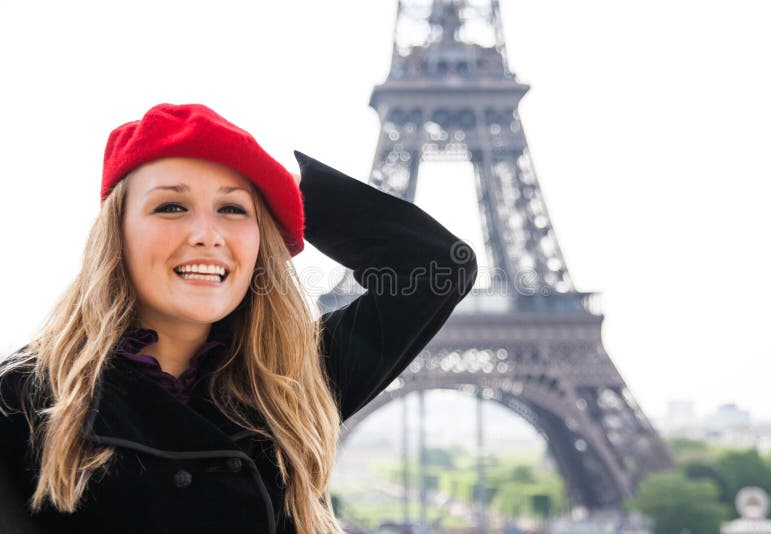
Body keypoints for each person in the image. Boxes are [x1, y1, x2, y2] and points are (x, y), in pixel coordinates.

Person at [0, 103, 478, 534]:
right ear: (116, 235)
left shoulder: (290, 383)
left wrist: (281, 190)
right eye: (171, 206)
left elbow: (435, 265)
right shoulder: (22, 402)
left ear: (260, 240)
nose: (207, 234)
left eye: (233, 209)